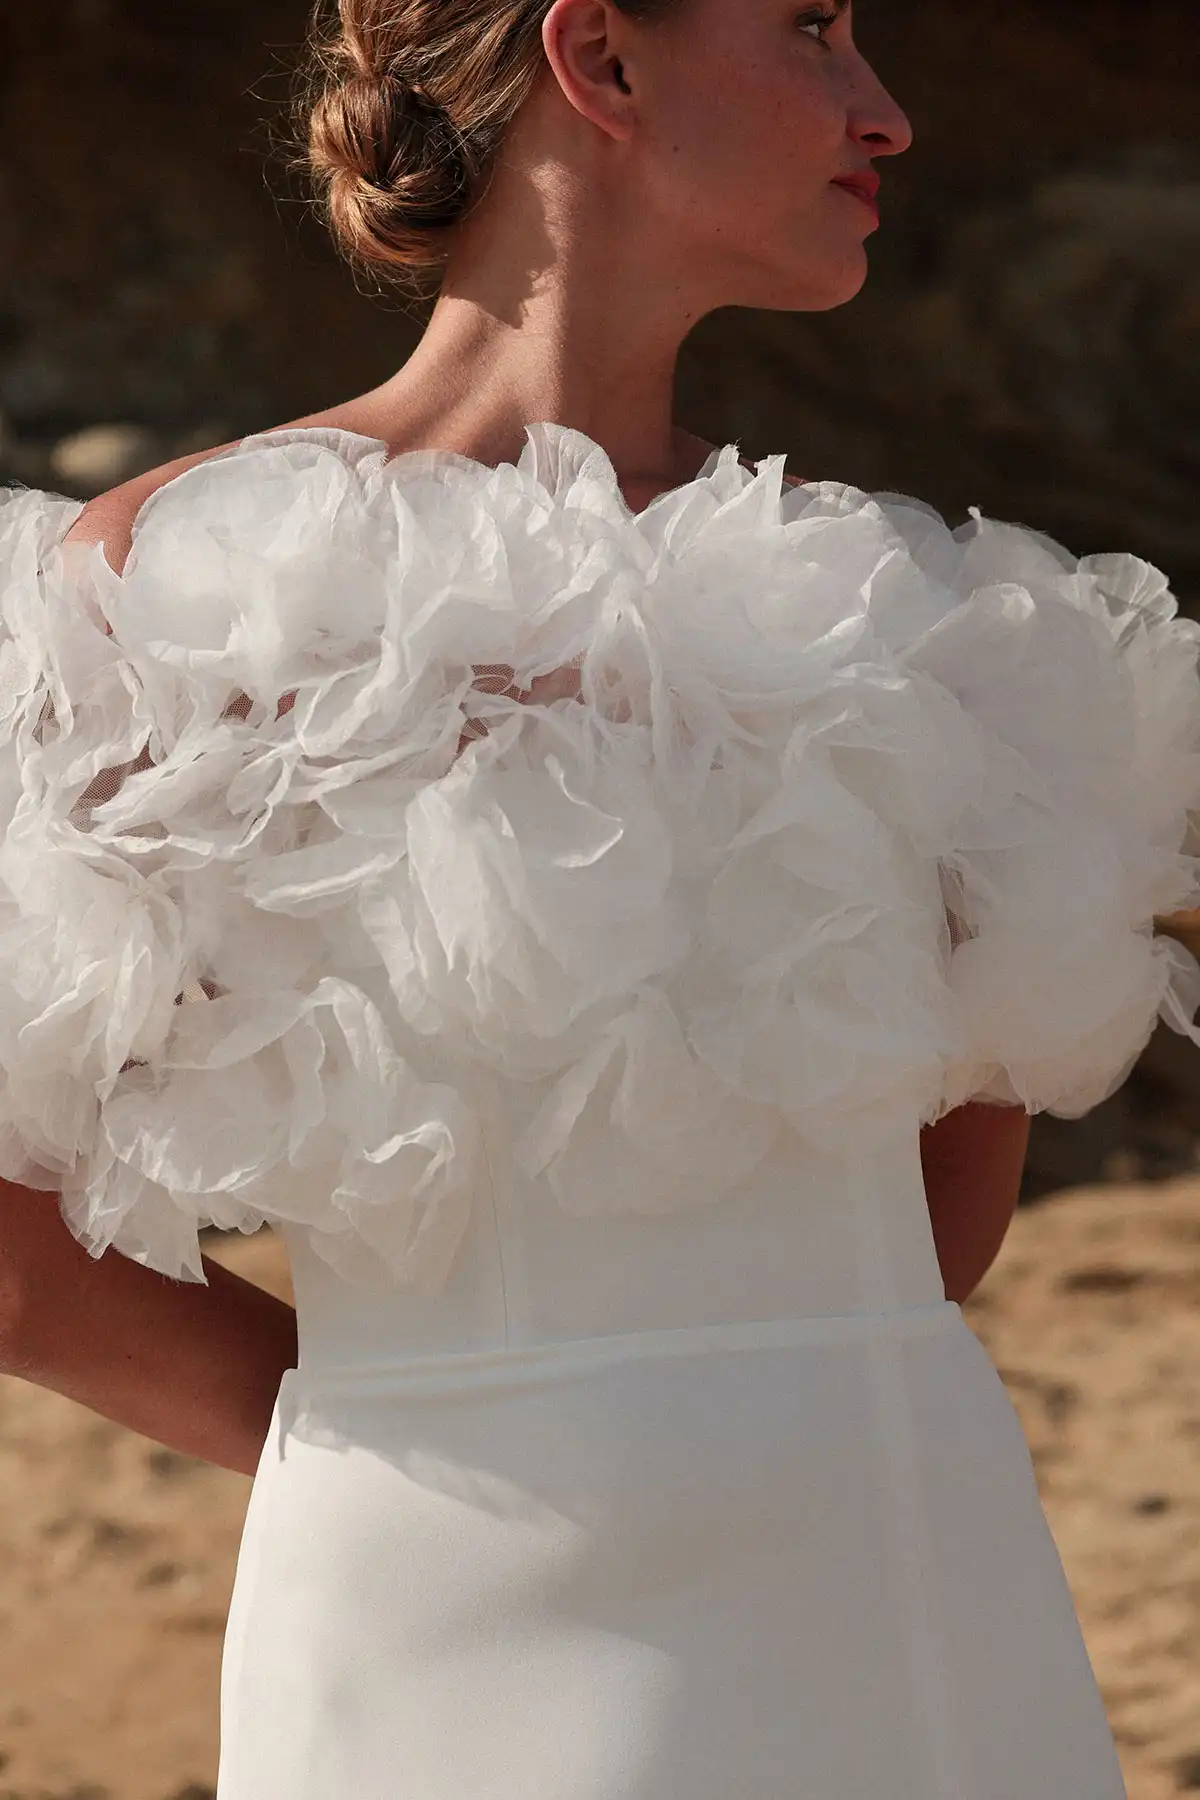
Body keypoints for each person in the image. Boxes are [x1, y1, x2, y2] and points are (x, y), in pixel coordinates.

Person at [1, 0, 1197, 1793]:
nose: (884, 112)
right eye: (812, 27)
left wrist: (479, 1412)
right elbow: (17, 1247)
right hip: (462, 1604)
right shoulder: (199, 597)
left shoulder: (919, 614)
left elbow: (947, 1218)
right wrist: (395, 1440)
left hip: (911, 1594)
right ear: (604, 60)